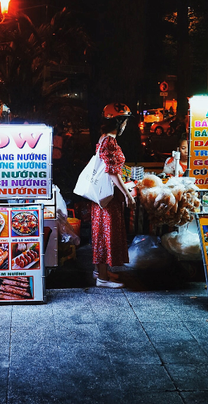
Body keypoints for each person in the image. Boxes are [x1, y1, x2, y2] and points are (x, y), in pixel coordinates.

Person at [91, 103, 136, 288]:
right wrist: (128, 194)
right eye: (124, 121)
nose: (125, 125)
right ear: (118, 122)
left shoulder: (103, 138)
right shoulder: (109, 140)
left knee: (101, 233)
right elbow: (111, 171)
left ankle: (100, 271)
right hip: (108, 199)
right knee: (105, 234)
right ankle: (102, 278)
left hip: (103, 197)